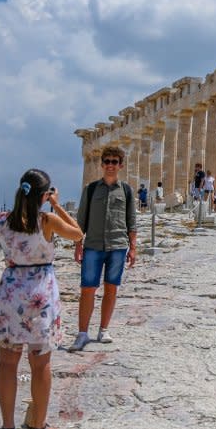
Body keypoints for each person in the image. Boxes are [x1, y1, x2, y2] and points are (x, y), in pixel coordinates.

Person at [0, 169, 83, 429]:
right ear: (44, 195)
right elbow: (78, 234)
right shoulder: (48, 221)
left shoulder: (0, 220)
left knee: (7, 362)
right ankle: (39, 426)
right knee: (40, 364)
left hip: (9, 293)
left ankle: (8, 427)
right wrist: (56, 205)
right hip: (40, 295)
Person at [70, 146, 137, 352]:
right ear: (101, 164)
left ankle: (104, 329)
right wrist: (78, 245)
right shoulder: (90, 189)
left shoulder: (126, 190)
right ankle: (82, 334)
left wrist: (133, 248)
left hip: (118, 246)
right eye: (107, 161)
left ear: (120, 165)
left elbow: (131, 221)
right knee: (87, 289)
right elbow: (80, 220)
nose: (110, 165)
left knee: (111, 288)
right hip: (93, 246)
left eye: (114, 162)